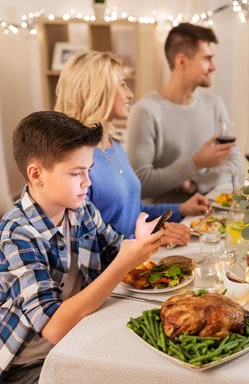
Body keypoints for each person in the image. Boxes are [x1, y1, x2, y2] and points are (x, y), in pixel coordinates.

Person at [0, 111, 164, 384]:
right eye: (76, 173)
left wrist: (138, 241)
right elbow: (54, 328)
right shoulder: (15, 237)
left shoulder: (80, 209)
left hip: (76, 341)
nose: (88, 181)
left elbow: (114, 248)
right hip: (23, 370)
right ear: (36, 174)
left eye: (88, 170)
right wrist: (124, 261)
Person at [55, 51, 210, 245]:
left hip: (138, 258)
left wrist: (180, 210)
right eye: (121, 84)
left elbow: (131, 212)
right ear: (98, 91)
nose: (129, 94)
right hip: (115, 268)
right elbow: (85, 244)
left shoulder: (115, 144)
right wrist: (148, 239)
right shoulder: (76, 162)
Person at [126, 23, 242, 204]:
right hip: (165, 223)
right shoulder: (145, 112)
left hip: (210, 217)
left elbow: (235, 165)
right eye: (207, 59)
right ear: (181, 61)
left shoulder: (214, 104)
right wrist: (196, 164)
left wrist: (196, 183)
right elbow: (139, 183)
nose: (214, 66)